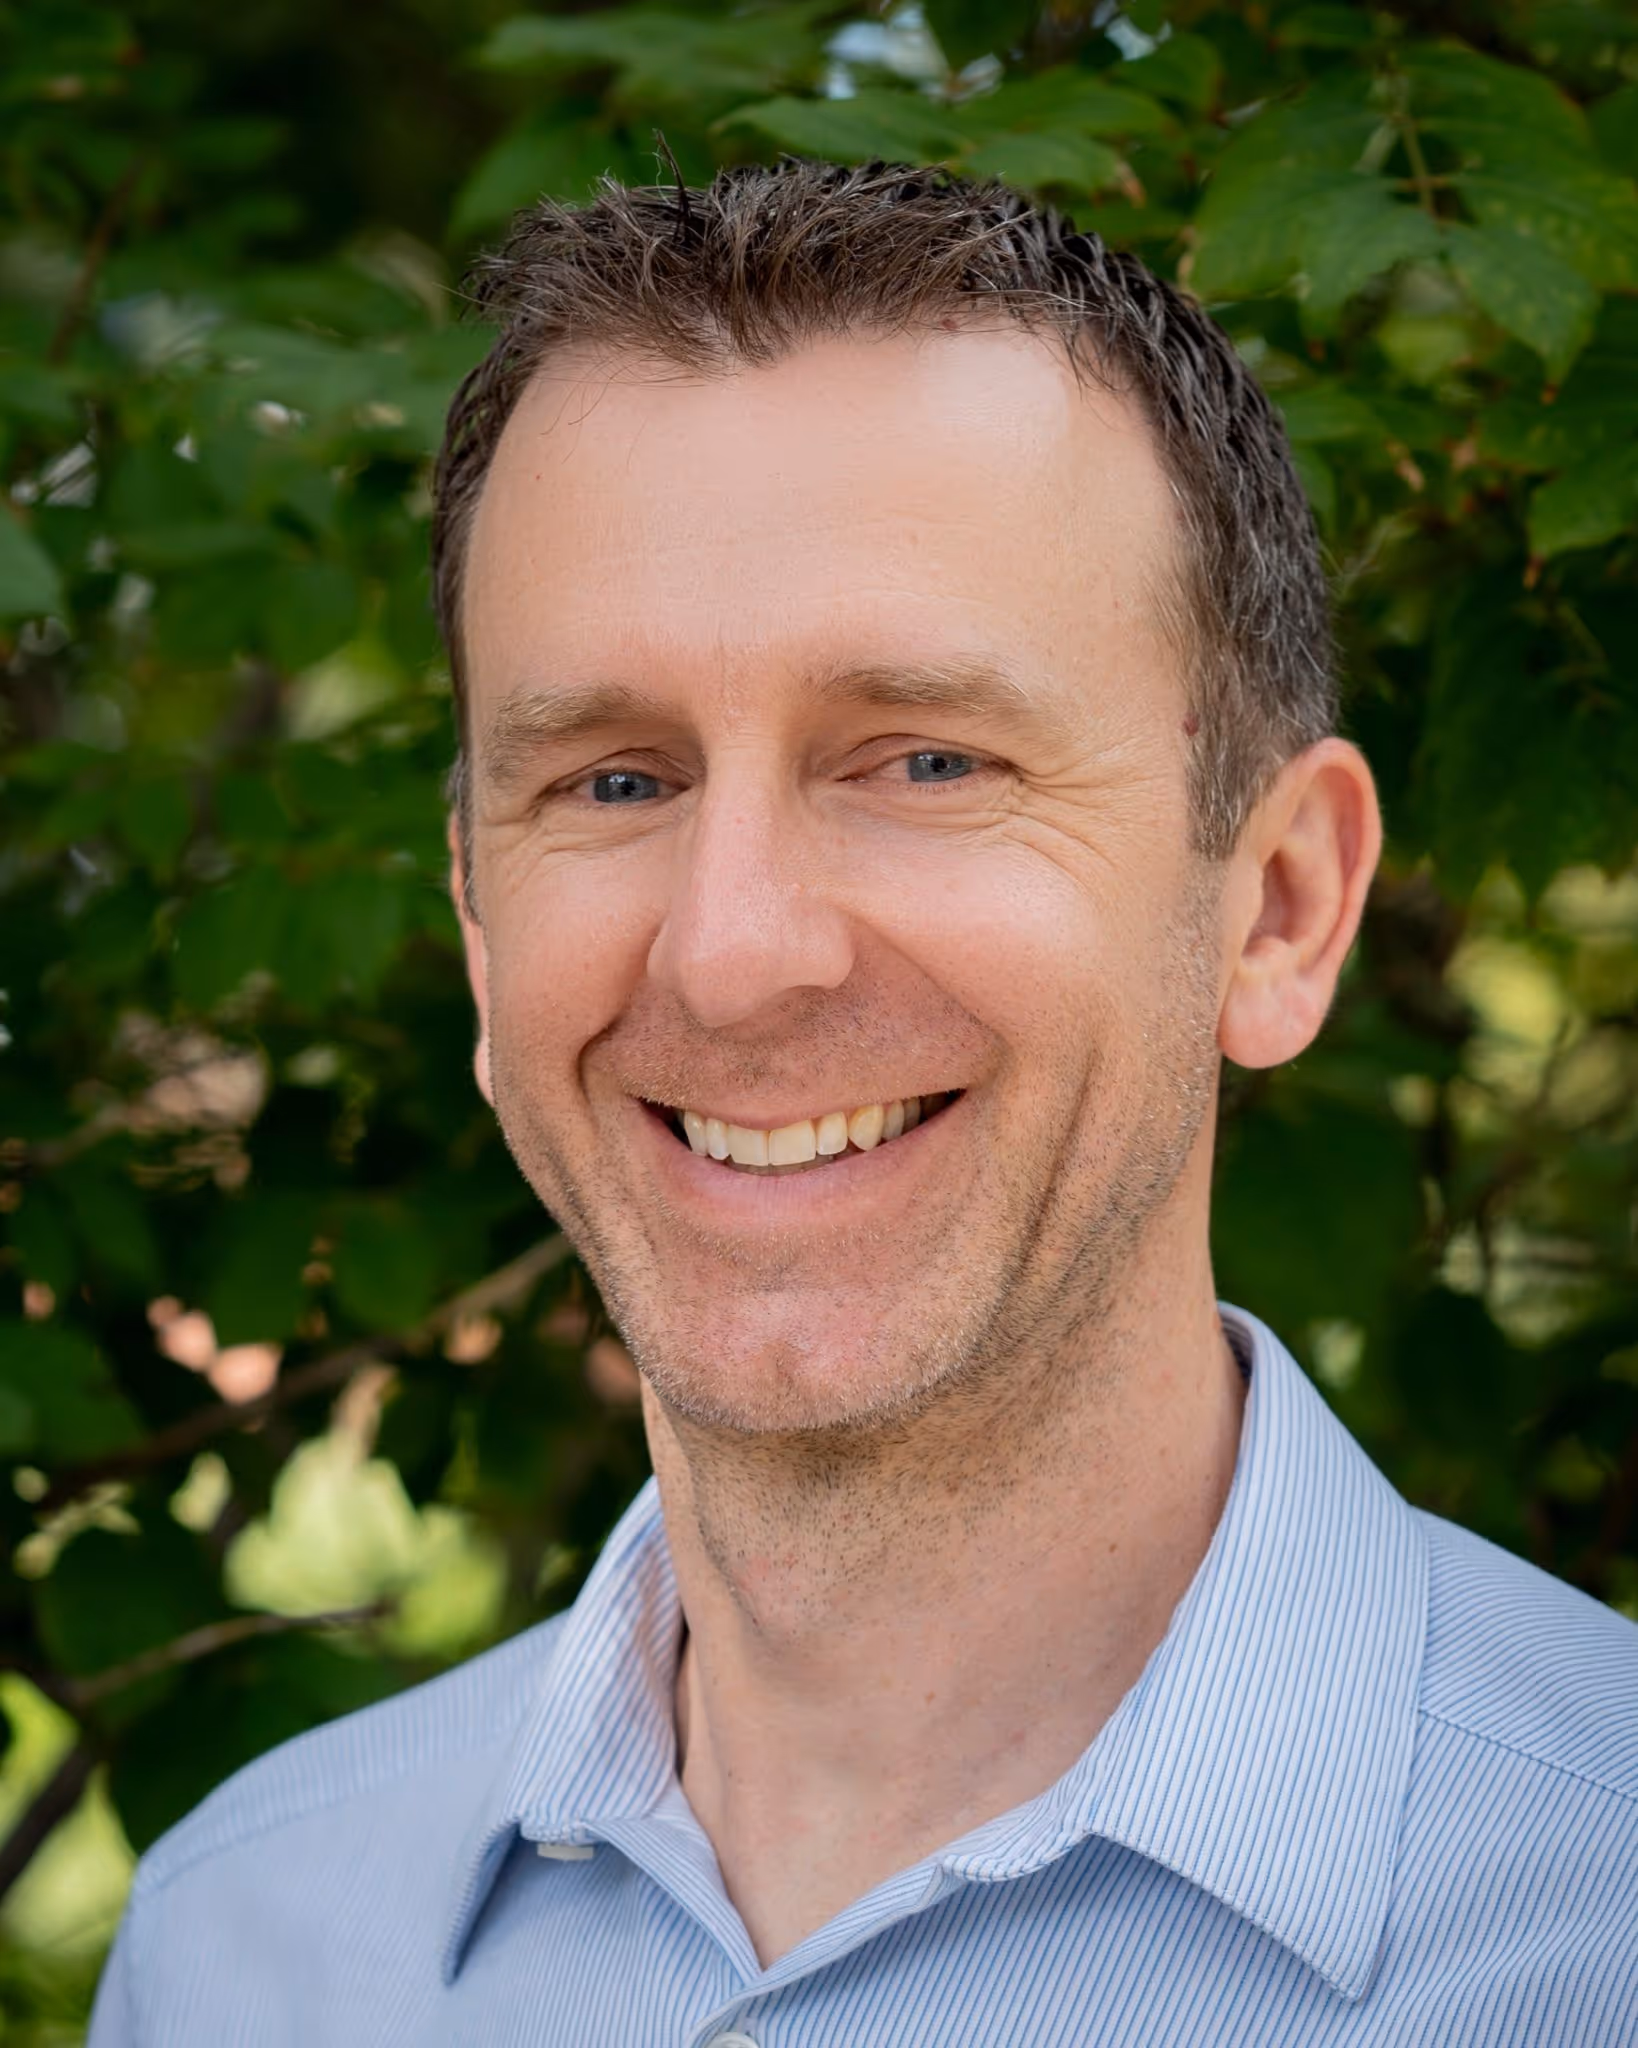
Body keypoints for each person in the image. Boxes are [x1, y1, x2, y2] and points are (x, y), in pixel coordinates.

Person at [89, 160, 1638, 2048]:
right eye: (613, 781)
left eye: (923, 757)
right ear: (481, 938)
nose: (734, 955)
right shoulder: (247, 1944)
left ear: (1279, 905)